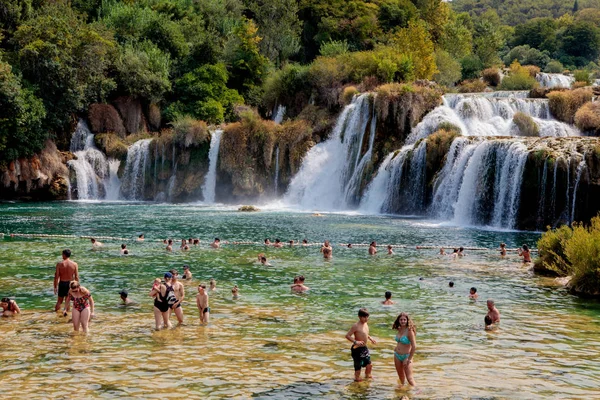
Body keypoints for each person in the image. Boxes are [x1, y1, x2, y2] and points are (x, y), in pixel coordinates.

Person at [345, 308, 377, 382]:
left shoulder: (365, 324)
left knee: (369, 365)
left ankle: (367, 375)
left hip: (364, 348)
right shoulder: (356, 326)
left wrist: (370, 338)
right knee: (358, 366)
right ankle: (356, 378)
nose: (366, 319)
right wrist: (355, 342)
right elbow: (347, 336)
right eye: (364, 317)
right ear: (359, 317)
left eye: (367, 317)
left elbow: (365, 334)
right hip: (357, 349)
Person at [392, 312, 417, 386]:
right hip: (397, 355)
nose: (402, 321)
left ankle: (417, 392)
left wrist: (409, 359)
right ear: (398, 321)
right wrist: (396, 347)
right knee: (401, 377)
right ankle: (402, 392)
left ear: (407, 320)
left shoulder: (409, 331)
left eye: (404, 320)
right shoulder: (399, 329)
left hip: (406, 356)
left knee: (410, 379)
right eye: (401, 320)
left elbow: (414, 346)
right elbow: (400, 341)